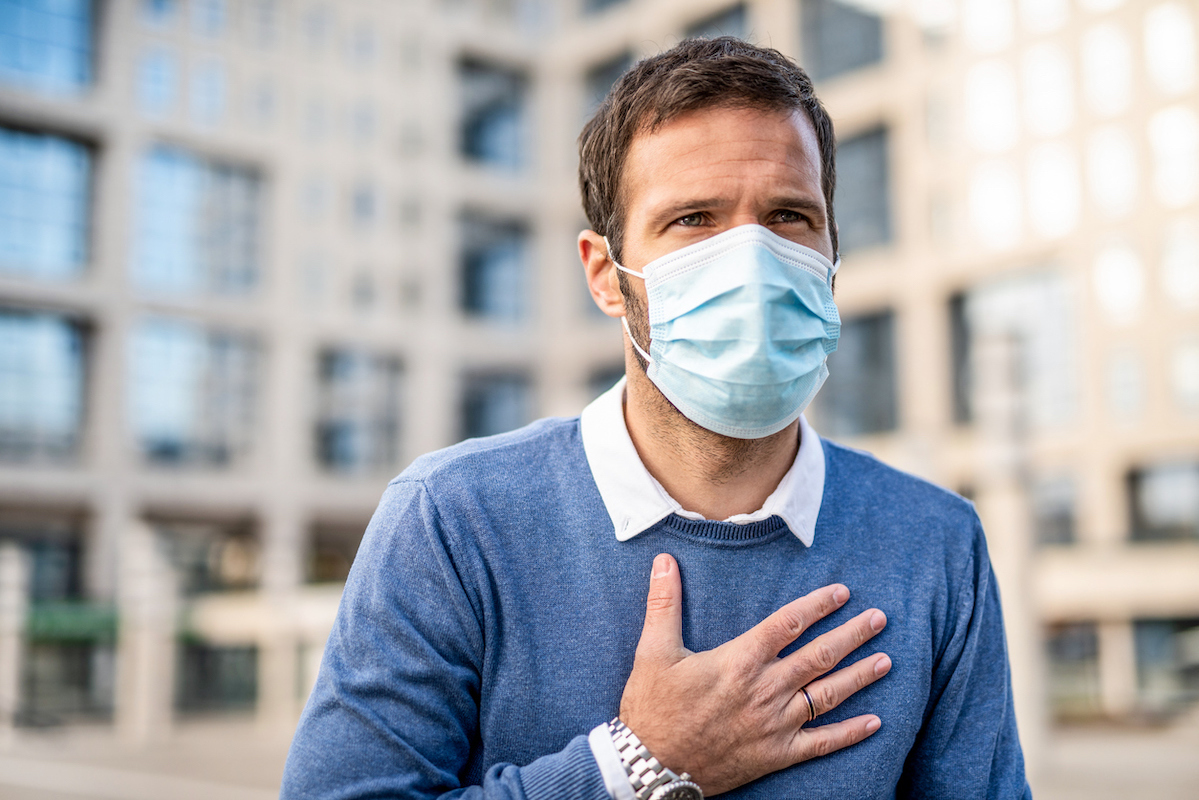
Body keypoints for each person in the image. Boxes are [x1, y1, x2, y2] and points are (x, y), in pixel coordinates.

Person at [281, 37, 1030, 799]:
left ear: (832, 256)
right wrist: (635, 765)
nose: (751, 257)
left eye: (788, 215)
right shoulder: (451, 519)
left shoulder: (935, 541)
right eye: (694, 219)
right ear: (606, 276)